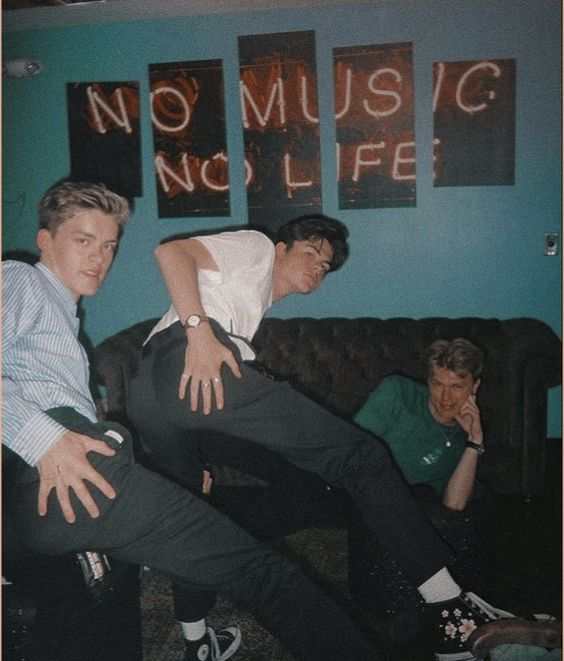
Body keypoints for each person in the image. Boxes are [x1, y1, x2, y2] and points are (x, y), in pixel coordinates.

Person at [2, 180, 402, 661]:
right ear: (45, 241)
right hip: (66, 470)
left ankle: (196, 643)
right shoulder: (22, 280)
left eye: (108, 245)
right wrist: (44, 438)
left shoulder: (64, 317)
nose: (99, 257)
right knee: (263, 574)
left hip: (59, 488)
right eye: (83, 240)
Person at [126, 213, 546, 661]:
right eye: (310, 253)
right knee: (361, 457)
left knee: (192, 514)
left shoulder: (249, 296)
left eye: (325, 266)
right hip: (185, 360)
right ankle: (450, 609)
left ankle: (196, 642)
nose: (317, 268)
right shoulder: (256, 246)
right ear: (281, 248)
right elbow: (172, 252)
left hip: (148, 393)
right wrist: (199, 333)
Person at [349, 338, 494, 637]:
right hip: (364, 496)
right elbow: (350, 454)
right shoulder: (398, 394)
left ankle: (441, 609)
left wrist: (475, 441)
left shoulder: (465, 431)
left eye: (457, 387)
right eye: (437, 384)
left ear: (475, 387)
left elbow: (455, 504)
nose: (446, 398)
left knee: (467, 510)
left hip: (415, 512)